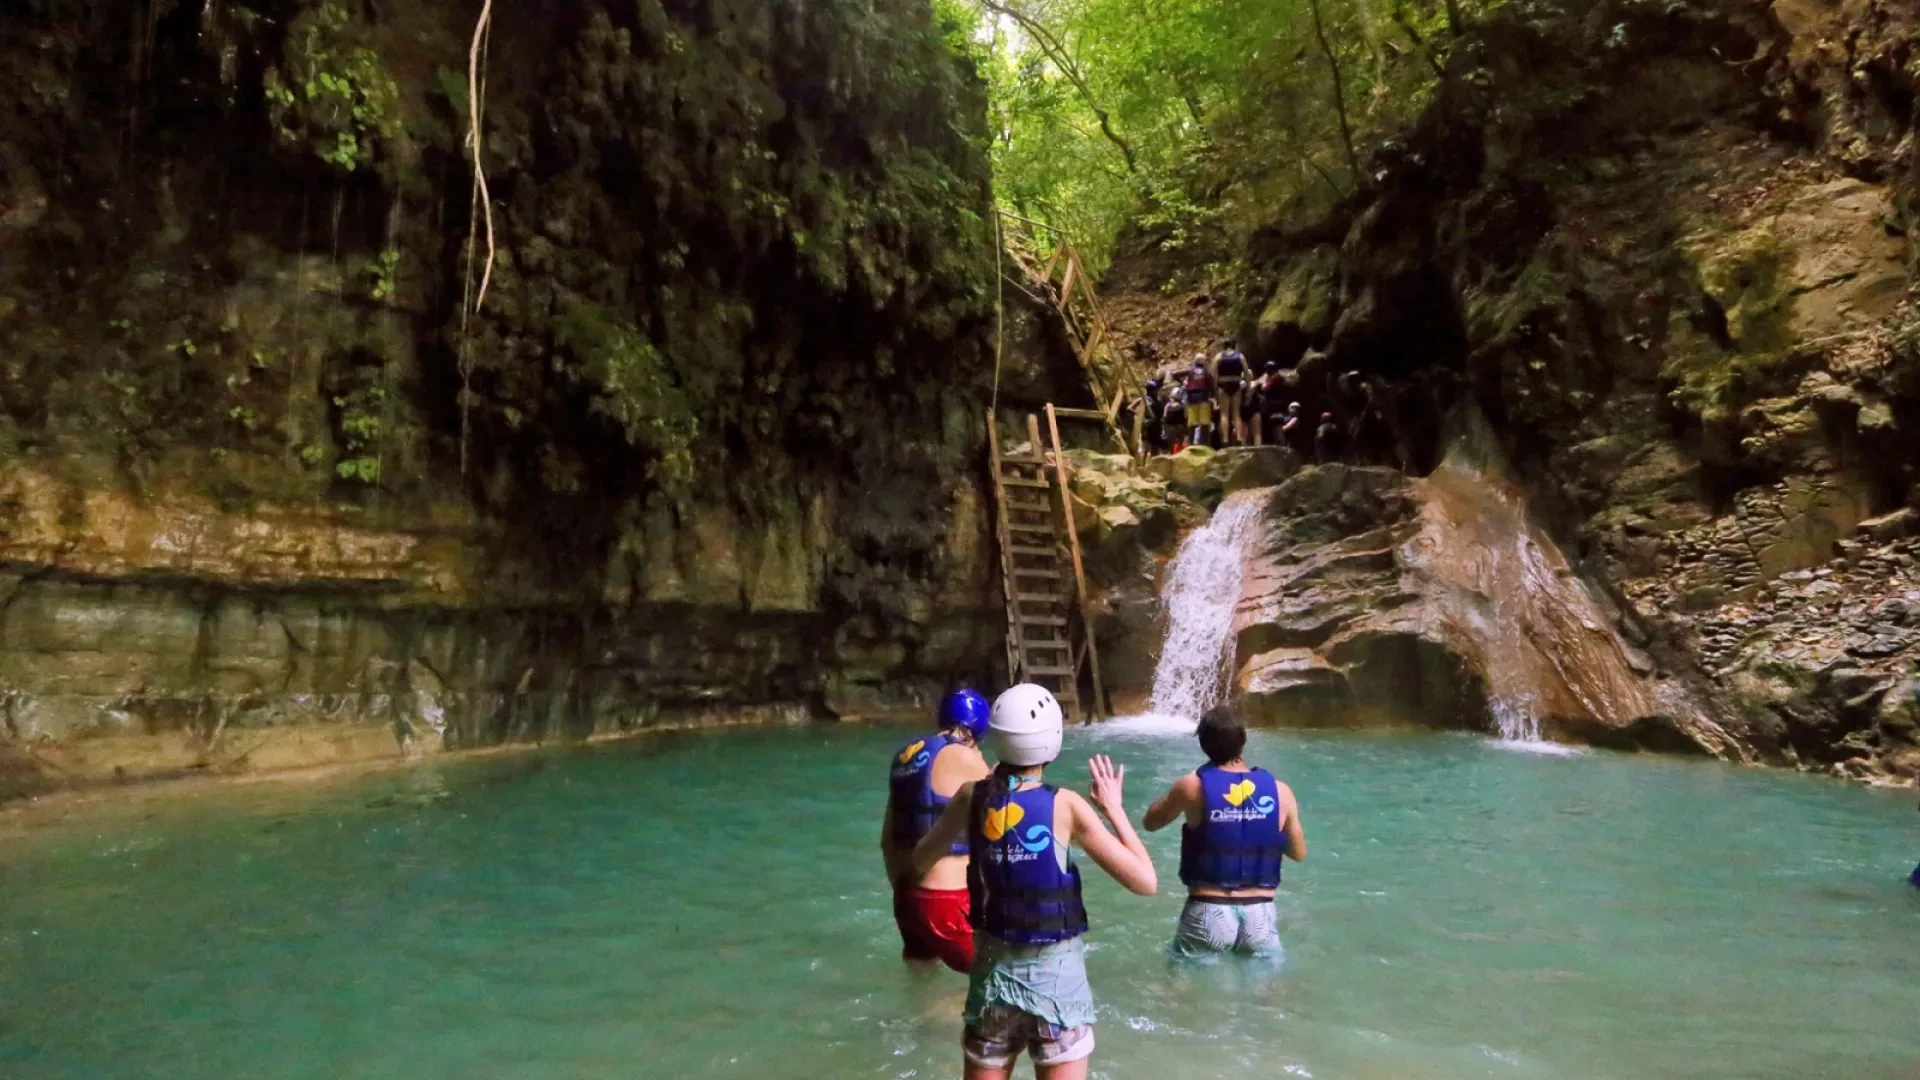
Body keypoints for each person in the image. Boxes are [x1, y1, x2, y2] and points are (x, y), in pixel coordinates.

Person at [912, 684, 1157, 1080]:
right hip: (1057, 990)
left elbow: (920, 860)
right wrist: (1114, 808)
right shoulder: (1067, 806)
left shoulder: (969, 797)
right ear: (1052, 741)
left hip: (991, 986)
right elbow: (1145, 881)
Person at [1143, 704, 1305, 957]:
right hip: (1260, 913)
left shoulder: (1192, 786)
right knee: (1264, 992)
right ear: (1243, 742)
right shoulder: (1280, 791)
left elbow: (1150, 822)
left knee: (1186, 990)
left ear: (1204, 745)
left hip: (1208, 910)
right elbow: (1298, 853)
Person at [884, 688, 994, 973]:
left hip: (907, 898)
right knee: (1000, 984)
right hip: (948, 903)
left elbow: (887, 840)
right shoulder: (965, 757)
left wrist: (904, 893)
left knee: (921, 984)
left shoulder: (904, 757)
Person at [1215, 339, 1247, 446]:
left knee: (1224, 414)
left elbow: (1214, 375)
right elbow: (1247, 373)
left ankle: (1225, 439)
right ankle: (1239, 438)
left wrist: (1215, 389)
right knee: (1236, 414)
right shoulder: (1240, 356)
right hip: (1236, 384)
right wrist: (1248, 385)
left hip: (1223, 385)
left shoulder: (1219, 356)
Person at [1182, 357, 1215, 449]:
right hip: (1203, 398)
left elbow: (1187, 385)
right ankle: (1205, 444)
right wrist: (1213, 393)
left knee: (1192, 422)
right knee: (1204, 421)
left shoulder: (1191, 372)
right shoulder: (1205, 371)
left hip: (1192, 399)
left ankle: (1191, 444)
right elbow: (1210, 383)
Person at [1141, 378, 1165, 458]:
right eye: (1156, 389)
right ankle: (1141, 466)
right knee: (1145, 448)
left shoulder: (1156, 400)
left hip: (1156, 427)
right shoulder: (1146, 400)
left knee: (1154, 448)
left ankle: (1153, 465)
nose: (1157, 391)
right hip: (1148, 427)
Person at [1161, 386, 1187, 454]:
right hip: (1180, 426)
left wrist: (1165, 428)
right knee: (1180, 444)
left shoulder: (1168, 406)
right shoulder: (1183, 406)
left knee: (1171, 445)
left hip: (1170, 427)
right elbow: (1185, 417)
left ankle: (1172, 455)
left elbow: (1165, 417)